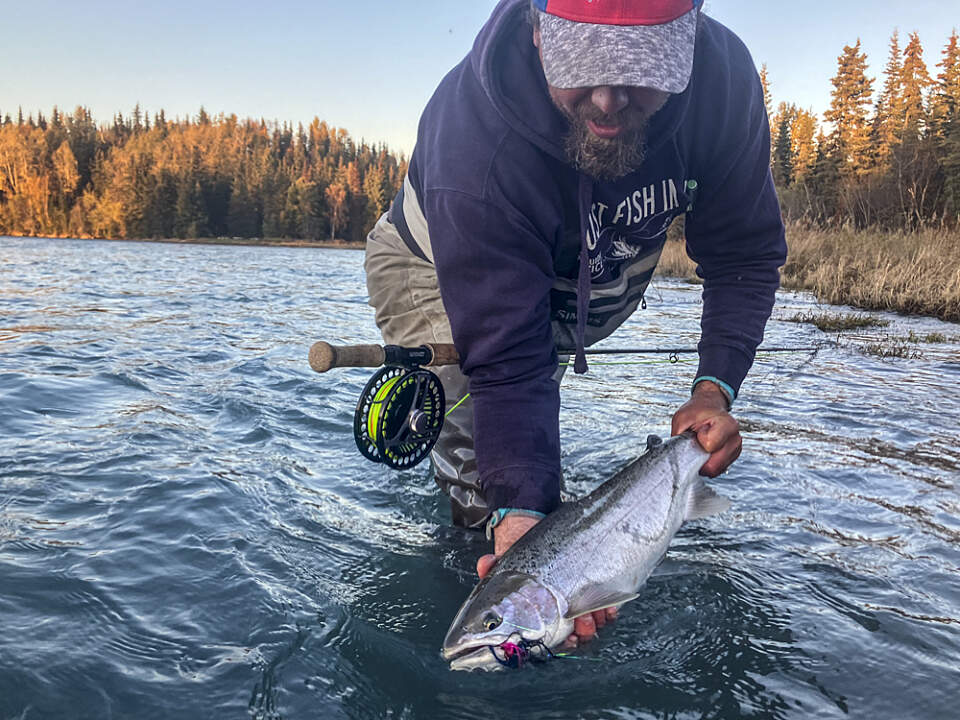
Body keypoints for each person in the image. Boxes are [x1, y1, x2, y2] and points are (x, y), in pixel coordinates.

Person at [364, 0, 786, 646]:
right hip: (437, 267)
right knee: (489, 492)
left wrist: (714, 389)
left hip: (581, 267)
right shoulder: (475, 144)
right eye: (582, 62)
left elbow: (744, 256)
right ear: (536, 32)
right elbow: (509, 363)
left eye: (641, 66)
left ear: (688, 39)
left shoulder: (723, 84)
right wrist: (518, 517)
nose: (609, 98)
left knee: (531, 461)